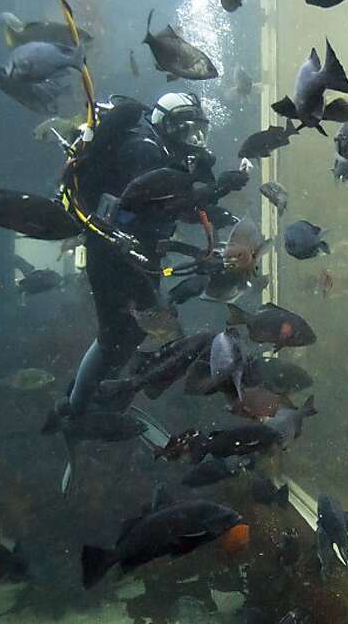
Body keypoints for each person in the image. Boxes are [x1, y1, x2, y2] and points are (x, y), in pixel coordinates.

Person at [57, 93, 248, 471]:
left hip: (137, 255)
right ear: (164, 123)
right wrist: (219, 187)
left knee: (132, 333)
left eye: (198, 129)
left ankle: (104, 398)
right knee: (115, 335)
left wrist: (216, 209)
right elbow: (160, 203)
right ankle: (78, 409)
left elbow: (178, 205)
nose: (192, 137)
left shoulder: (164, 152)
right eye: (184, 127)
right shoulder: (144, 150)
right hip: (112, 254)